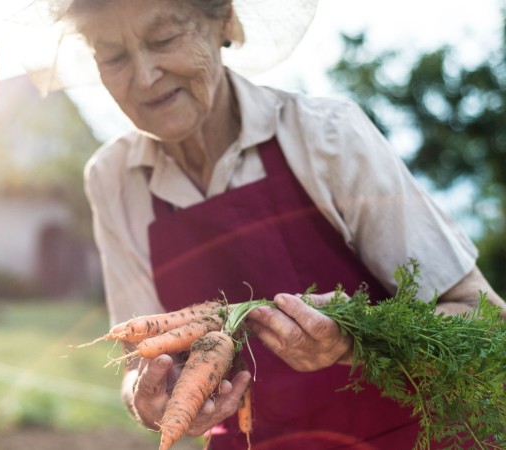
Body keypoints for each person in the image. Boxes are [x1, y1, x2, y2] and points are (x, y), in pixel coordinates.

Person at [30, 0, 506, 448]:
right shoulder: (113, 178)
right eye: (112, 57)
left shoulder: (328, 135)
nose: (144, 75)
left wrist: (353, 340)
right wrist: (149, 397)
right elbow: (140, 361)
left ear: (225, 24)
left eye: (165, 38)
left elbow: (486, 320)